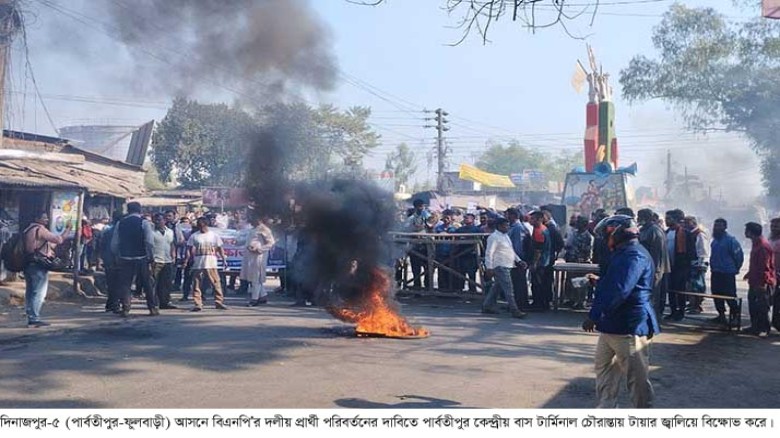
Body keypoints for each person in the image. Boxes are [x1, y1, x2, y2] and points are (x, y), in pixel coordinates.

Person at [582, 215, 659, 408]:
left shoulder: (633, 255)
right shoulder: (623, 253)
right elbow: (618, 283)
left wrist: (594, 315)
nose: (605, 240)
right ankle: (607, 408)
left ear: (617, 233)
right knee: (604, 367)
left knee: (636, 375)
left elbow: (619, 290)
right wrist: (599, 282)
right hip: (612, 325)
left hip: (630, 326)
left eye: (607, 235)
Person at [22, 212, 71, 327]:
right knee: (39, 292)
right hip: (39, 264)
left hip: (28, 263)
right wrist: (68, 229)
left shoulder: (27, 229)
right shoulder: (40, 229)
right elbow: (58, 240)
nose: (47, 220)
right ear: (37, 218)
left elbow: (45, 244)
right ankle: (34, 318)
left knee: (30, 291)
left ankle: (31, 315)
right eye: (44, 218)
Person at [111, 202, 157, 317]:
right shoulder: (144, 223)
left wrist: (117, 255)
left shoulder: (120, 223)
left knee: (125, 284)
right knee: (147, 284)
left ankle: (126, 308)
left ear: (128, 210)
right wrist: (151, 255)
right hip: (141, 257)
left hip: (125, 257)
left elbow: (115, 243)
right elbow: (149, 242)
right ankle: (152, 308)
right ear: (140, 210)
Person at [481, 218, 527, 318]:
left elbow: (511, 250)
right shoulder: (493, 237)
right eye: (505, 225)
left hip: (508, 264)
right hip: (500, 265)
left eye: (507, 225)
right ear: (499, 226)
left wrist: (518, 260)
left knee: (497, 287)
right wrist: (489, 267)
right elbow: (489, 253)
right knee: (509, 289)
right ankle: (514, 310)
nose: (507, 227)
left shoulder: (505, 236)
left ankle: (487, 306)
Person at [185, 216, 229, 312]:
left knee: (216, 283)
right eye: (199, 225)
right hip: (198, 263)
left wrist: (223, 259)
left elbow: (220, 248)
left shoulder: (214, 235)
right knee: (196, 284)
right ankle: (198, 304)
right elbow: (189, 249)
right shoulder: (194, 236)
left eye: (203, 225)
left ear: (206, 225)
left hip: (211, 263)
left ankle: (219, 302)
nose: (201, 227)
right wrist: (187, 260)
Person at [742, 222, 776, 337]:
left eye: (746, 230)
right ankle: (755, 326)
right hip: (754, 280)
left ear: (751, 232)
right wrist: (749, 274)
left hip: (762, 282)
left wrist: (763, 283)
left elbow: (765, 266)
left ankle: (764, 329)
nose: (745, 233)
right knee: (753, 304)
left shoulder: (762, 246)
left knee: (762, 306)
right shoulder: (755, 243)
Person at [708, 218, 744, 325]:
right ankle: (721, 315)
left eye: (720, 226)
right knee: (716, 295)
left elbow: (739, 256)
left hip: (727, 273)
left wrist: (736, 268)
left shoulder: (731, 240)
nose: (717, 228)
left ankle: (735, 317)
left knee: (730, 296)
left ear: (725, 227)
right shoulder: (714, 241)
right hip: (716, 272)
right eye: (716, 225)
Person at [637, 208, 670, 318]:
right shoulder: (644, 230)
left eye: (640, 216)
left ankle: (653, 317)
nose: (638, 219)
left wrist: (654, 269)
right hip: (647, 267)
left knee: (653, 294)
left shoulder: (654, 231)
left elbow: (657, 254)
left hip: (655, 268)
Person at [242, 215, 276, 306]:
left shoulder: (264, 229)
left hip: (259, 256)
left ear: (259, 219)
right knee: (252, 277)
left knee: (256, 277)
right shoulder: (253, 229)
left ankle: (254, 299)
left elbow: (271, 243)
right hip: (250, 256)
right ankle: (263, 295)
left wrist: (260, 249)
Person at [507, 208, 533, 310]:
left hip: (518, 259)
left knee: (519, 283)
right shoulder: (513, 227)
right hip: (513, 258)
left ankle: (521, 304)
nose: (506, 217)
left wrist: (518, 260)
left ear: (513, 216)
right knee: (514, 282)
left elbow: (518, 246)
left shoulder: (518, 228)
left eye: (508, 215)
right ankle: (516, 304)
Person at [151, 212, 177, 310]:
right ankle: (153, 303)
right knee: (154, 283)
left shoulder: (170, 231)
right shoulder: (151, 232)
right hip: (156, 260)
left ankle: (165, 302)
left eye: (159, 220)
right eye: (155, 220)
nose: (157, 222)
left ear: (164, 221)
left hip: (168, 260)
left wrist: (173, 255)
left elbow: (172, 244)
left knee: (166, 283)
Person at [101, 212, 124, 313]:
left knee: (111, 283)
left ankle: (110, 304)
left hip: (107, 259)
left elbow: (101, 245)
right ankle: (115, 305)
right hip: (117, 259)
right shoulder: (121, 231)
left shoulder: (106, 230)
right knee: (118, 283)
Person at [453, 213, 482, 292]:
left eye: (467, 218)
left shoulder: (477, 230)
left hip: (472, 255)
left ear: (472, 220)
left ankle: (472, 290)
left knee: (471, 274)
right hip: (461, 255)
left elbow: (480, 241)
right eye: (465, 218)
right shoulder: (460, 229)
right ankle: (460, 290)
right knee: (461, 274)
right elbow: (454, 239)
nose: (465, 219)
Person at [770, 217, 780, 331]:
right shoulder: (771, 240)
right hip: (772, 276)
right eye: (772, 226)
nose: (774, 228)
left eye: (776, 226)